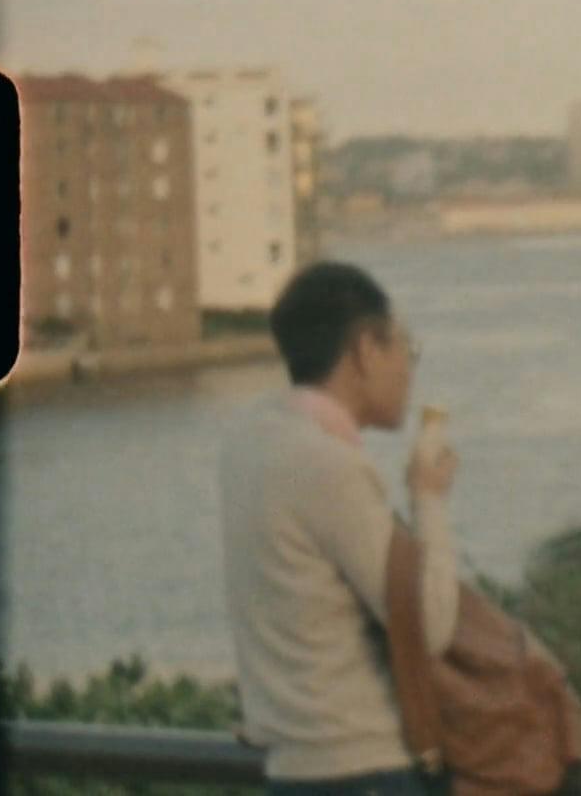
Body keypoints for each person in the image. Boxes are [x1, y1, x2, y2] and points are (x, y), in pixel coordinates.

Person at [219, 262, 462, 796]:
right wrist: (428, 497)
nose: (409, 367)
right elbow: (431, 624)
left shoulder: (249, 442)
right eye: (406, 348)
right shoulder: (325, 466)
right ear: (365, 351)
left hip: (291, 771)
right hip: (361, 770)